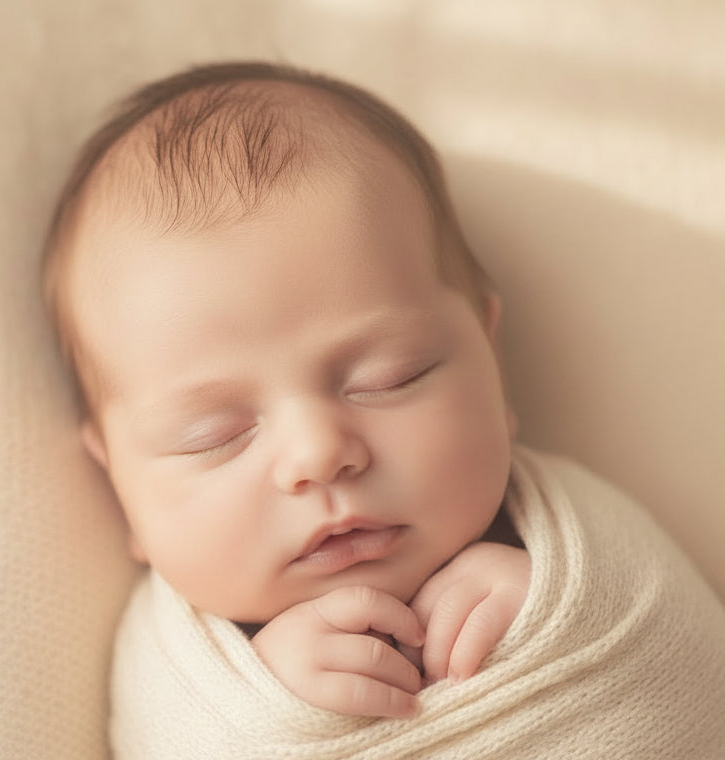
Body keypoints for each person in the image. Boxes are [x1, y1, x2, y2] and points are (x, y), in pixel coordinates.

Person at [41, 61, 531, 719]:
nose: (317, 455)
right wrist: (267, 705)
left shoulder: (561, 530)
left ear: (491, 365)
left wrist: (558, 599)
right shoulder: (177, 676)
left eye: (390, 378)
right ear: (118, 484)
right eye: (213, 435)